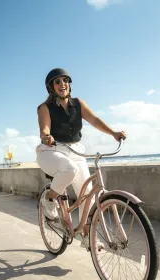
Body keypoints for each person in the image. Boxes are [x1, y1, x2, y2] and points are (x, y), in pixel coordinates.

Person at [36, 68, 127, 222]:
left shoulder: (78, 104)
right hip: (51, 150)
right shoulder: (45, 108)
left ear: (69, 84)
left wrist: (113, 133)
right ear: (51, 87)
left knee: (88, 197)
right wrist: (46, 136)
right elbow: (44, 129)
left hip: (76, 151)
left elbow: (94, 120)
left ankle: (88, 236)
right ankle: (50, 201)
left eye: (65, 80)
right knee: (69, 169)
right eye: (57, 81)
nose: (62, 83)